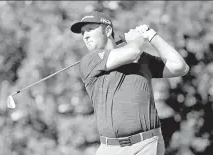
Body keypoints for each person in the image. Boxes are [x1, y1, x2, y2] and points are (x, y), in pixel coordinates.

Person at [70, 11, 189, 155]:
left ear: (107, 30)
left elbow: (180, 67)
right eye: (82, 33)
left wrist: (151, 36)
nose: (85, 35)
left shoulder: (142, 59)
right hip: (109, 149)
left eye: (89, 29)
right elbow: (132, 51)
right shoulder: (89, 61)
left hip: (146, 145)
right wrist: (137, 39)